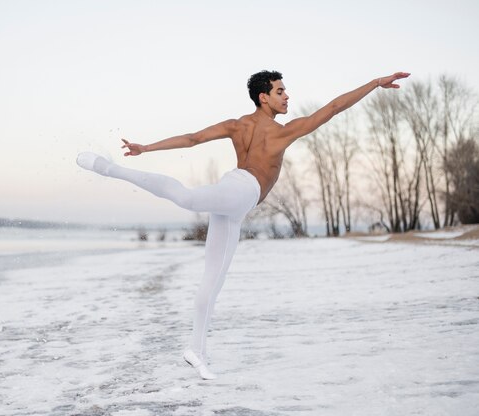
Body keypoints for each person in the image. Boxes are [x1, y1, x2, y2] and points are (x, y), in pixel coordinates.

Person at [76, 70, 410, 379]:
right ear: (263, 97)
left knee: (213, 279)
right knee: (188, 199)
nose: (287, 97)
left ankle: (197, 350)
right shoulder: (283, 132)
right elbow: (335, 107)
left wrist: (148, 147)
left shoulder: (239, 125)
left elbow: (193, 138)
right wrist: (374, 83)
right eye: (280, 91)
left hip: (235, 201)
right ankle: (108, 168)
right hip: (240, 191)